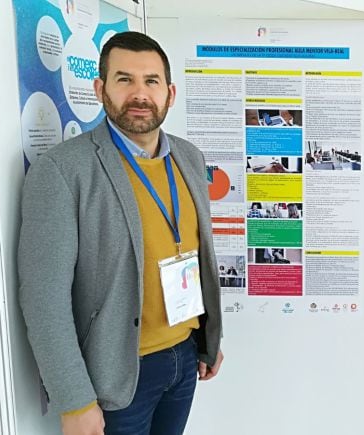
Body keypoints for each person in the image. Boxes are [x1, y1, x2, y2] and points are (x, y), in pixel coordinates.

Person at [18, 31, 224, 435]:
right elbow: (44, 298)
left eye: (151, 81)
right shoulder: (63, 171)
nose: (139, 94)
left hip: (183, 358)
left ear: (170, 92)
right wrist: (73, 398)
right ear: (100, 88)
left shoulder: (187, 156)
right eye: (124, 79)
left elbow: (197, 257)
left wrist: (206, 340)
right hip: (116, 372)